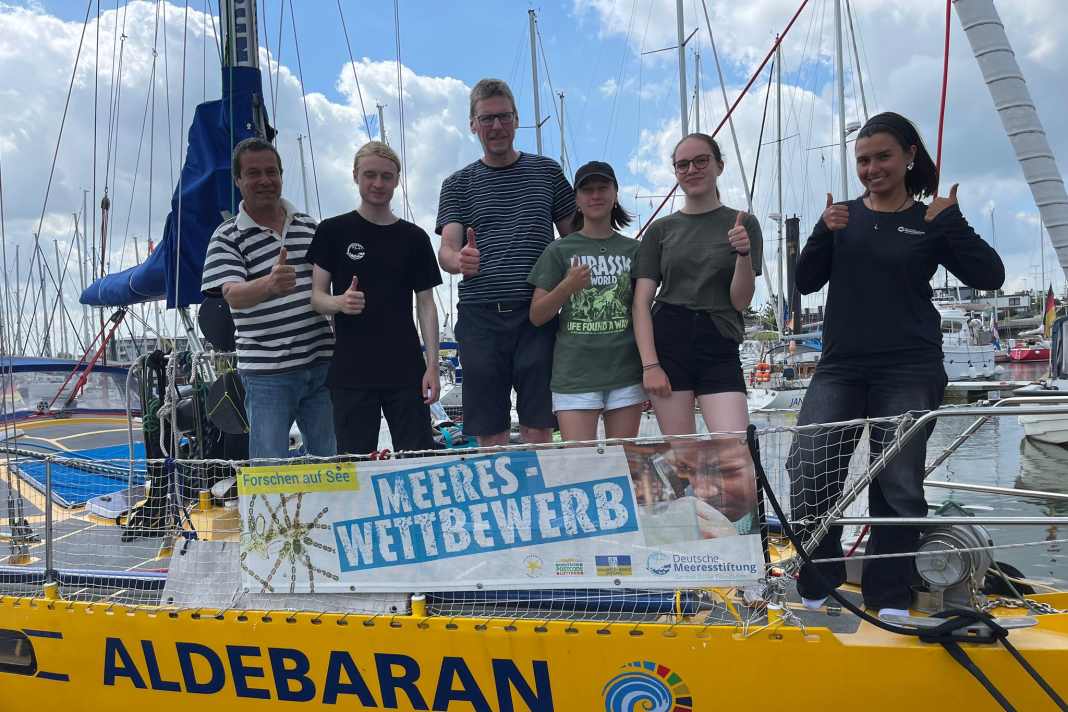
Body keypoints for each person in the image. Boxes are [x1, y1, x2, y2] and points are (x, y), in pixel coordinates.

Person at [787, 112, 1005, 617]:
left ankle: (891, 594)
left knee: (899, 484)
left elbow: (990, 275)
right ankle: (821, 574)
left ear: (909, 156)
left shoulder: (931, 220)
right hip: (840, 367)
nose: (871, 168)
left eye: (882, 156)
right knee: (809, 468)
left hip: (909, 367)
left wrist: (952, 219)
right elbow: (805, 283)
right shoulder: (841, 216)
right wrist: (822, 231)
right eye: (862, 160)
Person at [436, 78, 576, 447]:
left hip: (537, 315)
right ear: (472, 124)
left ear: (516, 120)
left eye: (503, 117)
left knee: (538, 423)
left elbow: (575, 238)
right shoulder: (457, 184)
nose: (495, 126)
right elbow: (446, 251)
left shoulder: (548, 173)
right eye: (486, 119)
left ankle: (542, 501)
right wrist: (459, 259)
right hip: (480, 318)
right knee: (488, 427)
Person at [631, 132, 762, 525]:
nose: (692, 170)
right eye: (683, 164)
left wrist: (742, 254)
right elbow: (641, 302)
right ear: (674, 172)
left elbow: (740, 301)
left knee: (734, 452)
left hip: (718, 338)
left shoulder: (744, 223)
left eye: (701, 161)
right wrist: (650, 364)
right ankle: (681, 562)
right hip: (669, 337)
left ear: (719, 165)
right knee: (681, 454)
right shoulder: (661, 230)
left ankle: (740, 563)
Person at [201, 137, 336, 460]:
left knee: (330, 460)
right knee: (268, 467)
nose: (264, 180)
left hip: (321, 364)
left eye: (271, 172)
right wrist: (269, 285)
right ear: (238, 181)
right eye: (253, 173)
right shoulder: (227, 236)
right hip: (267, 375)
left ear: (281, 175)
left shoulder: (308, 226)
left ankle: (330, 512)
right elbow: (232, 294)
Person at [309, 141, 442, 455]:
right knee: (355, 465)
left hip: (407, 369)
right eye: (370, 175)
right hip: (351, 371)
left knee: (418, 460)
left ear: (397, 180)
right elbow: (316, 298)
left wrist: (433, 365)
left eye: (387, 176)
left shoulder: (414, 238)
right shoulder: (332, 231)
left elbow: (426, 303)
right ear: (356, 175)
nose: (378, 184)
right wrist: (339, 302)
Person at [527, 161, 643, 442]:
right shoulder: (559, 249)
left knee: (624, 462)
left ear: (615, 194)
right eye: (587, 190)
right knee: (581, 465)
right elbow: (537, 314)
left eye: (603, 188)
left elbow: (643, 310)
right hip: (575, 376)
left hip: (625, 373)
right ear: (576, 199)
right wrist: (566, 286)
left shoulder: (635, 249)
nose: (595, 196)